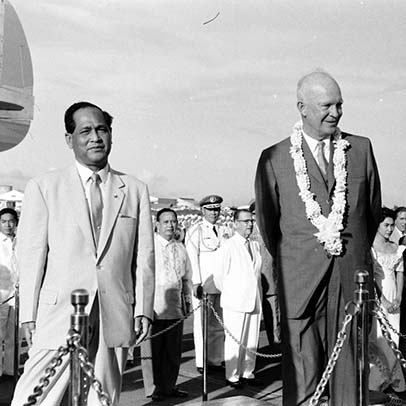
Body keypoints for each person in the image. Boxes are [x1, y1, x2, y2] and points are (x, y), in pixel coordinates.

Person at [11, 101, 155, 406]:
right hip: (57, 314)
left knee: (102, 398)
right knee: (35, 397)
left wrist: (143, 309)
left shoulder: (135, 189)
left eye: (102, 129)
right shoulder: (44, 187)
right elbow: (32, 256)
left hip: (113, 313)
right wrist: (28, 315)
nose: (95, 138)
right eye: (85, 131)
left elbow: (144, 257)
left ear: (111, 134)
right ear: (69, 139)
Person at [255, 70, 381, 405]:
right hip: (300, 283)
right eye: (327, 105)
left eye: (340, 105)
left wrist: (349, 253)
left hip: (349, 279)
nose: (336, 113)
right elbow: (269, 226)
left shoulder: (361, 149)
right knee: (301, 379)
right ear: (302, 108)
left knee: (351, 378)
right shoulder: (274, 158)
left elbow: (370, 213)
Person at [141, 208, 192, 401]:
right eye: (166, 222)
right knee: (152, 351)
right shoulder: (150, 247)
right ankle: (153, 388)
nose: (170, 225)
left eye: (173, 221)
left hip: (175, 307)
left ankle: (169, 386)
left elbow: (186, 277)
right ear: (157, 225)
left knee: (172, 351)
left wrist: (187, 301)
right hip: (153, 306)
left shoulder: (180, 248)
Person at [214, 209, 262, 388]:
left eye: (251, 221)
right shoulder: (229, 245)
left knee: (251, 340)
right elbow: (219, 276)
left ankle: (248, 372)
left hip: (253, 299)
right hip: (235, 300)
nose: (250, 224)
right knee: (235, 340)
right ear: (235, 224)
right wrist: (232, 293)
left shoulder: (255, 245)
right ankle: (232, 375)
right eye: (245, 221)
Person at [185, 195, 227, 373]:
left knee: (218, 325)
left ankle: (215, 360)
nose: (214, 213)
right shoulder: (195, 231)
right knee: (202, 324)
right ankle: (202, 361)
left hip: (221, 285)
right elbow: (191, 259)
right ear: (203, 210)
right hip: (203, 286)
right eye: (210, 209)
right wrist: (195, 283)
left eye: (216, 209)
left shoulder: (224, 230)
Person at [369, 207, 406, 394]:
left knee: (394, 338)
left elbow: (400, 273)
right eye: (386, 225)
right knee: (379, 338)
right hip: (378, 297)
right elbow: (371, 278)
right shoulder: (371, 248)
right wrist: (382, 300)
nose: (390, 229)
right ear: (377, 225)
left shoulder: (395, 248)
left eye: (392, 225)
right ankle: (376, 382)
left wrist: (398, 297)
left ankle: (392, 381)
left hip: (394, 297)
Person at [0, 208, 18, 379]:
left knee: (14, 335)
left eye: (11, 221)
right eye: (4, 221)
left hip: (17, 296)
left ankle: (10, 370)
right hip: (1, 295)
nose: (8, 225)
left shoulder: (21, 241)